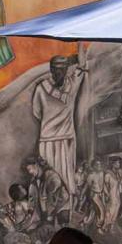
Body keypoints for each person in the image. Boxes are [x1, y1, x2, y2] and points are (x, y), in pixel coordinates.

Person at [32, 55, 86, 191]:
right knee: (49, 178)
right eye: (55, 70)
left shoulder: (73, 84)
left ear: (67, 70)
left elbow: (37, 113)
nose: (58, 73)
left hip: (66, 138)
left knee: (68, 178)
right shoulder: (41, 88)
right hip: (47, 139)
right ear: (50, 70)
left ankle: (67, 209)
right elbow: (36, 112)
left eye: (61, 69)